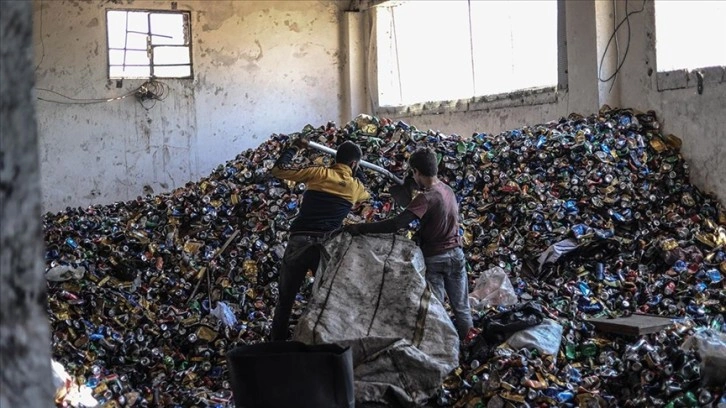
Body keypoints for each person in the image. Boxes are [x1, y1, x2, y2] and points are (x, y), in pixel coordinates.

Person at [344, 147, 473, 340]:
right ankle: (470, 346)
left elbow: (396, 223)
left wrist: (360, 228)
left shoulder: (426, 198)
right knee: (462, 307)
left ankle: (445, 346)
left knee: (437, 310)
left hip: (435, 259)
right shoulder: (447, 189)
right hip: (456, 255)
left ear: (416, 172)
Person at [269, 136, 370, 341]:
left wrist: (294, 147)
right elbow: (366, 193)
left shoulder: (318, 173)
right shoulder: (355, 187)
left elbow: (279, 170)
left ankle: (276, 342)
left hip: (299, 241)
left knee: (286, 298)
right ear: (353, 164)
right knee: (324, 297)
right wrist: (356, 170)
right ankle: (319, 340)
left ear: (336, 160)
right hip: (326, 247)